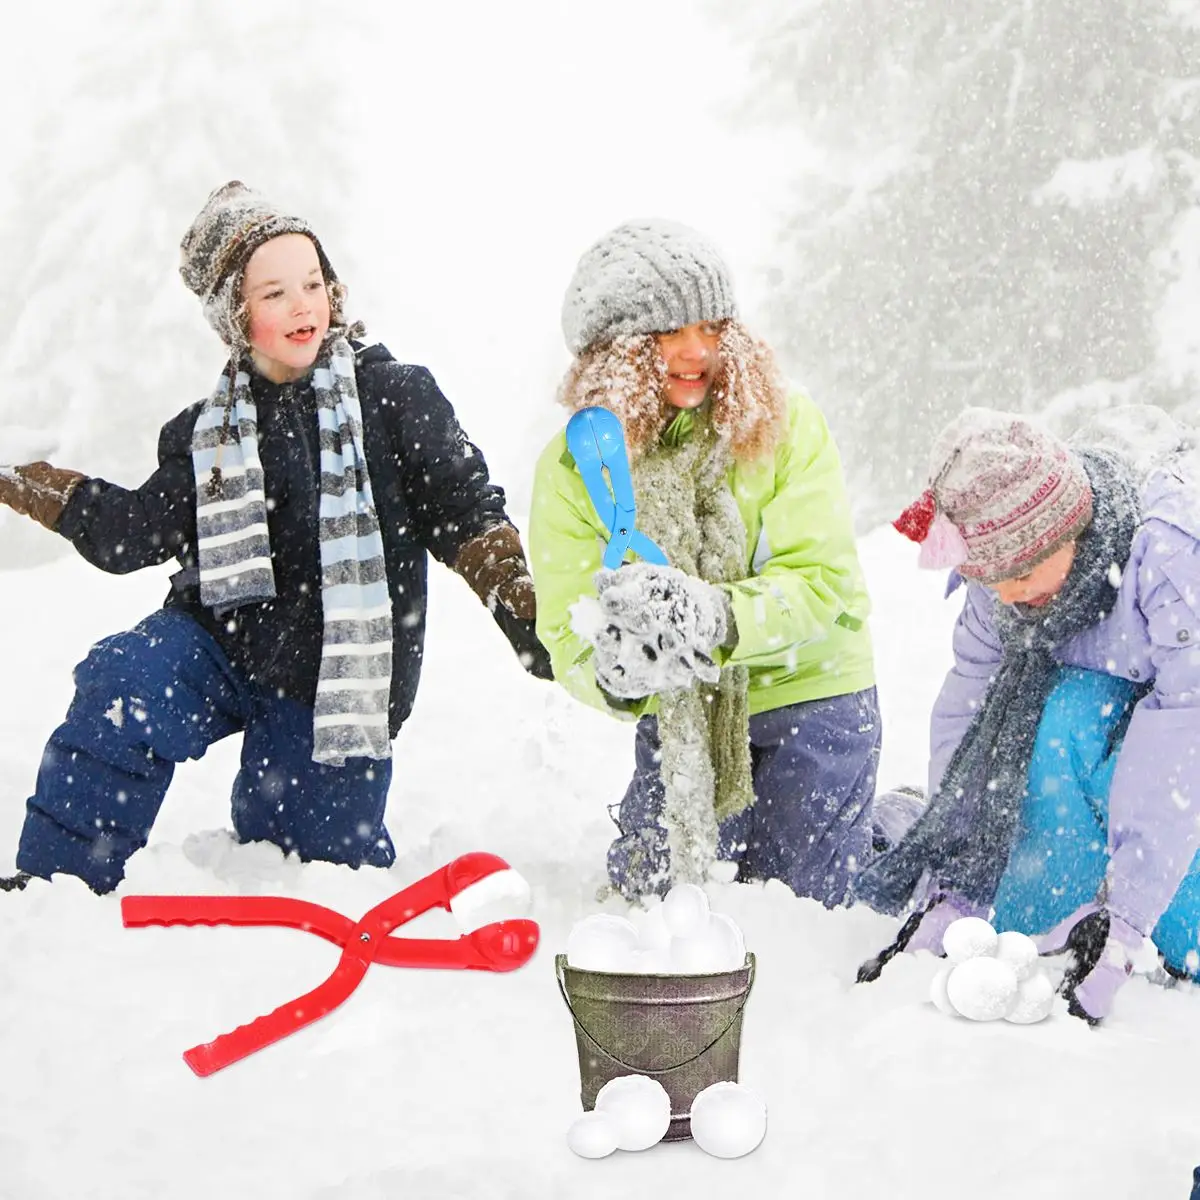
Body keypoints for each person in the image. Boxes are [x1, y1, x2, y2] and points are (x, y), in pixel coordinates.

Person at [0, 181, 549, 894]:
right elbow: (132, 534)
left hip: (335, 683)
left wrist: (515, 595)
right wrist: (37, 485)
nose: (302, 306)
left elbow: (465, 510)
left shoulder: (395, 399)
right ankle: (56, 884)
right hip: (218, 640)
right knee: (125, 681)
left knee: (307, 861)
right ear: (236, 313)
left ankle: (304, 855)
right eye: (274, 293)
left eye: (313, 283)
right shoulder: (208, 433)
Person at [528, 219, 879, 904]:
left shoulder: (784, 424)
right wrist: (617, 673)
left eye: (713, 327)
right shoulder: (576, 468)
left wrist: (714, 618)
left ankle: (885, 831)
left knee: (805, 908)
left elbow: (822, 580)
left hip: (812, 688)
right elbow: (568, 627)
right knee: (657, 901)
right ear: (614, 352)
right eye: (668, 333)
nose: (698, 352)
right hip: (681, 707)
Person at [856, 407, 1200, 1022]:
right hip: (1099, 731)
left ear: (1065, 530)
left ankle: (1171, 932)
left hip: (1180, 746)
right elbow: (969, 716)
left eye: (1020, 572)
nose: (1008, 594)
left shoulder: (1167, 557)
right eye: (990, 579)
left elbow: (1184, 728)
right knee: (1053, 719)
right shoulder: (1002, 582)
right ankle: (1047, 916)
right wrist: (955, 881)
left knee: (1102, 742)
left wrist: (1128, 919)